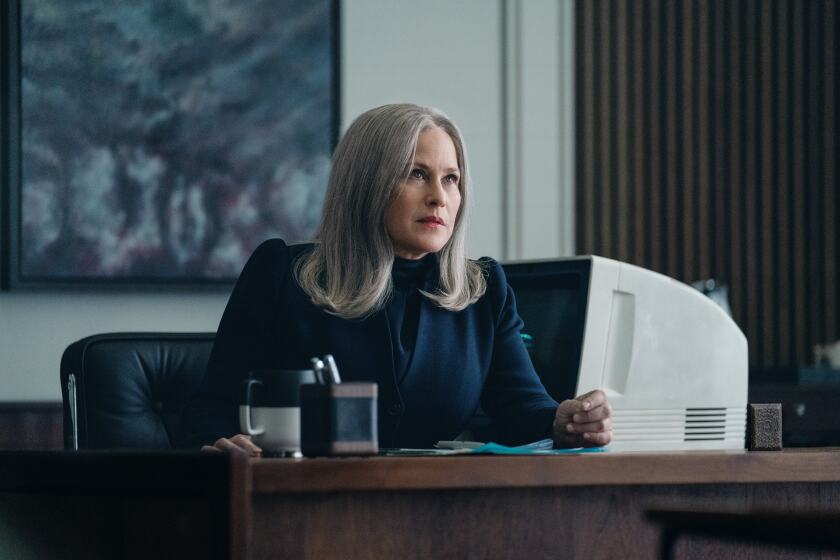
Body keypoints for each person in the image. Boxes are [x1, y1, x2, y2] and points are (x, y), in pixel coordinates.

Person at [184, 103, 612, 455]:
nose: (439, 197)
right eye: (416, 174)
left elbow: (522, 408)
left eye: (451, 179)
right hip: (296, 509)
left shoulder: (484, 290)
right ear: (366, 184)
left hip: (424, 512)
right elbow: (212, 410)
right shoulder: (282, 274)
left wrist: (564, 420)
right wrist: (220, 445)